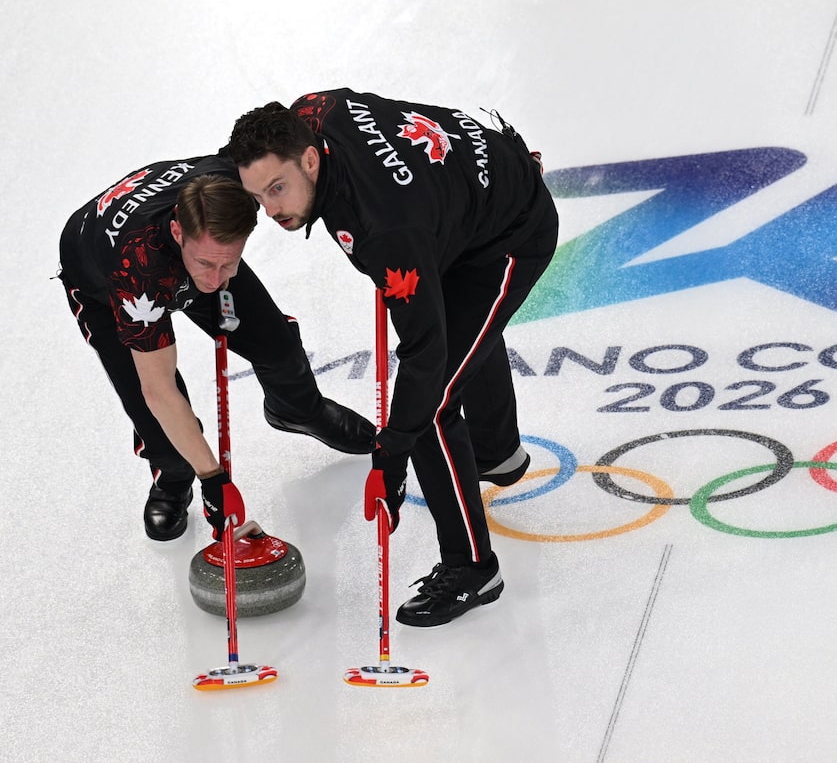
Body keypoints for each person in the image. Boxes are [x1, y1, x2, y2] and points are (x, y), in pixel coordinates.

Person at [224, 90, 558, 626]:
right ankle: (497, 455)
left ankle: (473, 568)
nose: (270, 211)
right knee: (461, 337)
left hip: (506, 233)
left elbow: (425, 359)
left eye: (277, 189)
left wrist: (391, 455)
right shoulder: (311, 113)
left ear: (310, 159)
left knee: (428, 406)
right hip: (454, 210)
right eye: (258, 195)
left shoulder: (387, 231)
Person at [58, 156, 376, 542]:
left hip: (182, 245)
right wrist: (212, 478)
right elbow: (158, 390)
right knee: (152, 408)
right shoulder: (138, 270)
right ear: (178, 231)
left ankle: (299, 410)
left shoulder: (235, 186)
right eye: (207, 264)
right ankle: (172, 476)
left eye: (230, 262)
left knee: (275, 342)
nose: (214, 280)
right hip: (105, 282)